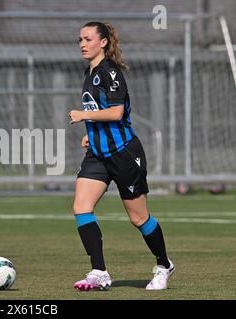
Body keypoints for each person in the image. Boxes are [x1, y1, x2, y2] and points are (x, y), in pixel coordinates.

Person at [68, 21, 175, 291]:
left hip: (125, 154)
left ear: (103, 42)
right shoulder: (89, 71)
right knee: (81, 207)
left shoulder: (111, 72)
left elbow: (116, 113)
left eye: (88, 38)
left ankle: (164, 265)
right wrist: (90, 134)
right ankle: (99, 271)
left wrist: (83, 116)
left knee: (138, 218)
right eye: (80, 39)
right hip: (98, 154)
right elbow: (103, 114)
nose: (82, 43)